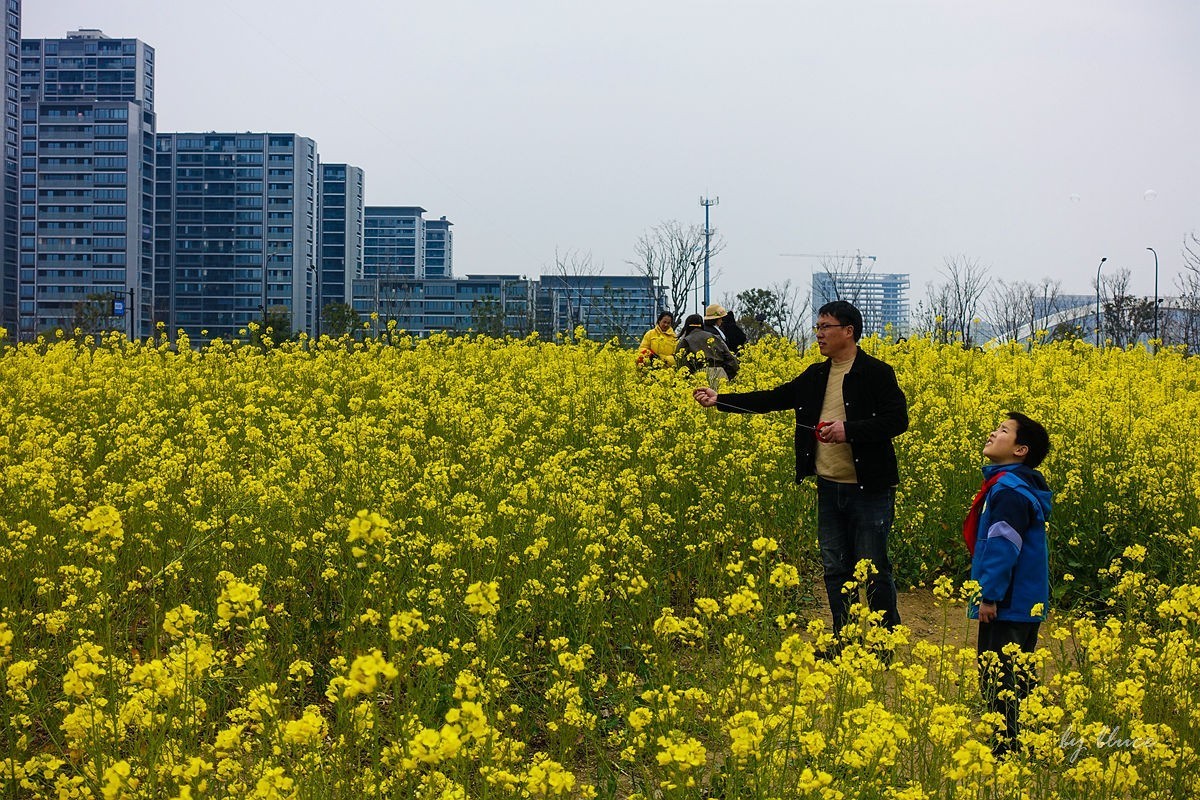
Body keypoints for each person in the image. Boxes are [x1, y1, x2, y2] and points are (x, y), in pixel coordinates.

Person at [692, 300, 908, 634]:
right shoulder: (816, 375)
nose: (818, 334)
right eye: (817, 327)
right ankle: (845, 639)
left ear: (848, 331)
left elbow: (897, 420)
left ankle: (884, 642)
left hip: (869, 489)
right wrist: (719, 399)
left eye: (825, 327)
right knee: (836, 569)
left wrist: (848, 430)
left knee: (874, 570)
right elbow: (773, 398)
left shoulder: (877, 372)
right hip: (829, 487)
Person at [965, 412, 1052, 756]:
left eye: (1003, 430)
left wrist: (989, 595)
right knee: (1018, 675)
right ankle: (1029, 742)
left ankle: (1007, 748)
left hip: (1008, 602)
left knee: (998, 677)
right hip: (1024, 601)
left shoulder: (1009, 491)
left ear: (1020, 450)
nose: (992, 433)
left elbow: (1003, 547)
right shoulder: (1017, 486)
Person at [678, 313, 739, 386]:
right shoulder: (715, 337)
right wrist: (729, 375)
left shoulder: (685, 341)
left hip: (699, 377)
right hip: (720, 374)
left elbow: (682, 364)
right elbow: (730, 359)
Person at [702, 304, 739, 379]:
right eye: (720, 318)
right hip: (716, 368)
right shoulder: (710, 331)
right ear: (715, 319)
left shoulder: (717, 329)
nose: (722, 320)